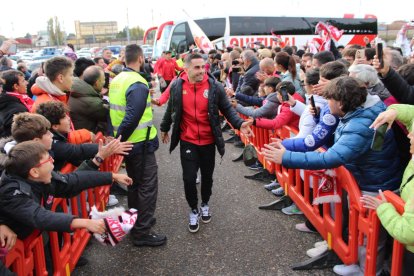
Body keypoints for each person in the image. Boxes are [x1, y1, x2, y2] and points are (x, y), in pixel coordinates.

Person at [263, 76, 403, 275]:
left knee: (370, 234)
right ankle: (359, 264)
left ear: (341, 102)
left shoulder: (361, 124)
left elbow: (332, 157)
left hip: (374, 185)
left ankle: (369, 271)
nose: (327, 103)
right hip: (368, 179)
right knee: (361, 230)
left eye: (329, 99)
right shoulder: (360, 114)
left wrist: (286, 157)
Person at [160, 53, 254, 233]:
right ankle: (193, 209)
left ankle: (205, 204)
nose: (201, 71)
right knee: (188, 178)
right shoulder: (177, 86)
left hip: (209, 141)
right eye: (196, 67)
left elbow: (227, 109)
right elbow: (171, 108)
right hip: (188, 141)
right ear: (186, 69)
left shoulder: (215, 87)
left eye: (203, 67)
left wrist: (240, 124)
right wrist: (164, 127)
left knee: (207, 177)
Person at [109, 44, 166, 247]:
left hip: (130, 143)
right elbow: (132, 116)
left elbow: (114, 111)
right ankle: (142, 231)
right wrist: (120, 139)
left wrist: (118, 138)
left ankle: (136, 221)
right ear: (140, 58)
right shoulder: (137, 82)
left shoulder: (117, 80)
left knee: (135, 185)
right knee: (147, 186)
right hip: (139, 143)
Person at [0, 70, 32, 138]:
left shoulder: (9, 100)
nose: (27, 83)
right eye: (23, 81)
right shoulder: (17, 109)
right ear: (16, 86)